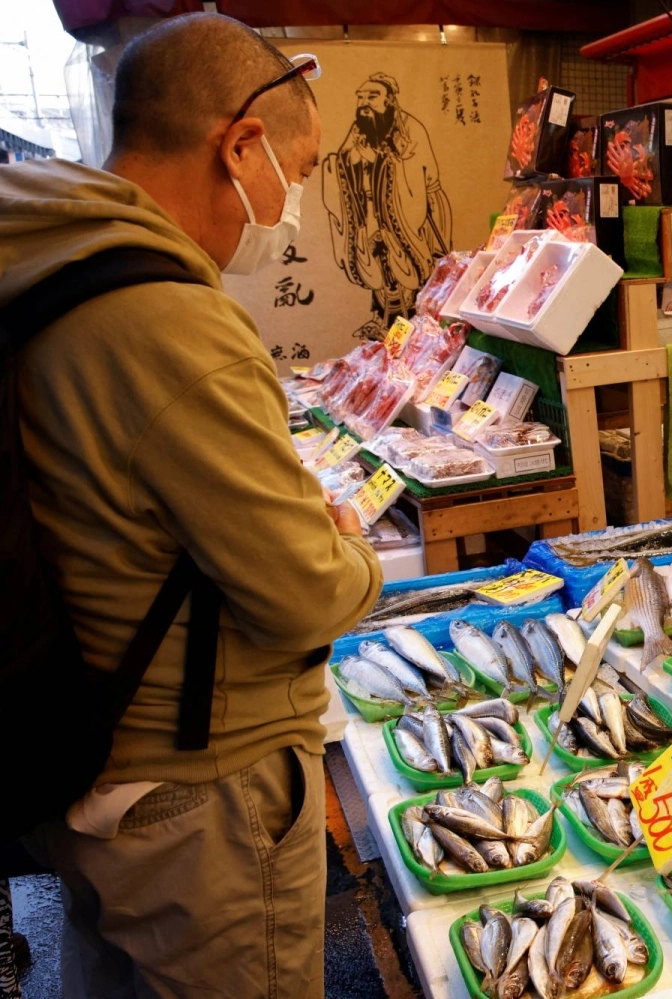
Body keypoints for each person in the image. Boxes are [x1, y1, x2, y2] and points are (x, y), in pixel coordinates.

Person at [0, 14, 382, 995]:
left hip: (87, 746)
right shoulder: (170, 319)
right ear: (241, 144)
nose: (290, 204)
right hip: (199, 792)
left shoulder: (47, 253)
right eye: (294, 172)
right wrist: (351, 552)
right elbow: (304, 592)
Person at [323, 70, 453, 332]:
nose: (364, 103)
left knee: (407, 268)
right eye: (361, 97)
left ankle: (416, 322)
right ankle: (384, 320)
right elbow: (345, 160)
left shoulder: (410, 128)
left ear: (390, 99)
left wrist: (378, 161)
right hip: (370, 212)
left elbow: (420, 174)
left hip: (405, 217)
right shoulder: (359, 130)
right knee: (379, 268)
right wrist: (349, 162)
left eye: (373, 96)